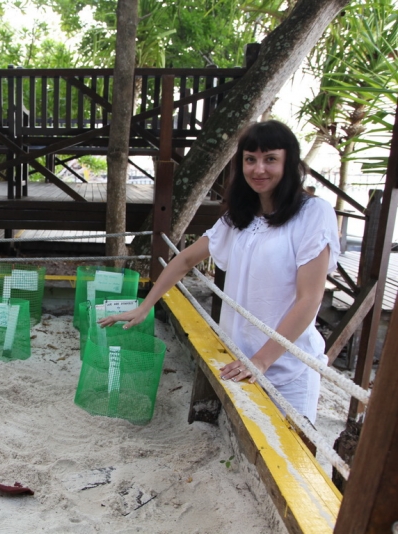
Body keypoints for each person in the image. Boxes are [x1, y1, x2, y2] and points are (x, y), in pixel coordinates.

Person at [98, 120, 339, 423]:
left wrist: (261, 361)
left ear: (289, 162)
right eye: (250, 159)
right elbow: (185, 260)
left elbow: (310, 298)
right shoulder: (239, 216)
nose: (259, 169)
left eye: (270, 159)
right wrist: (145, 306)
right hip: (238, 362)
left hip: (287, 368)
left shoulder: (313, 213)